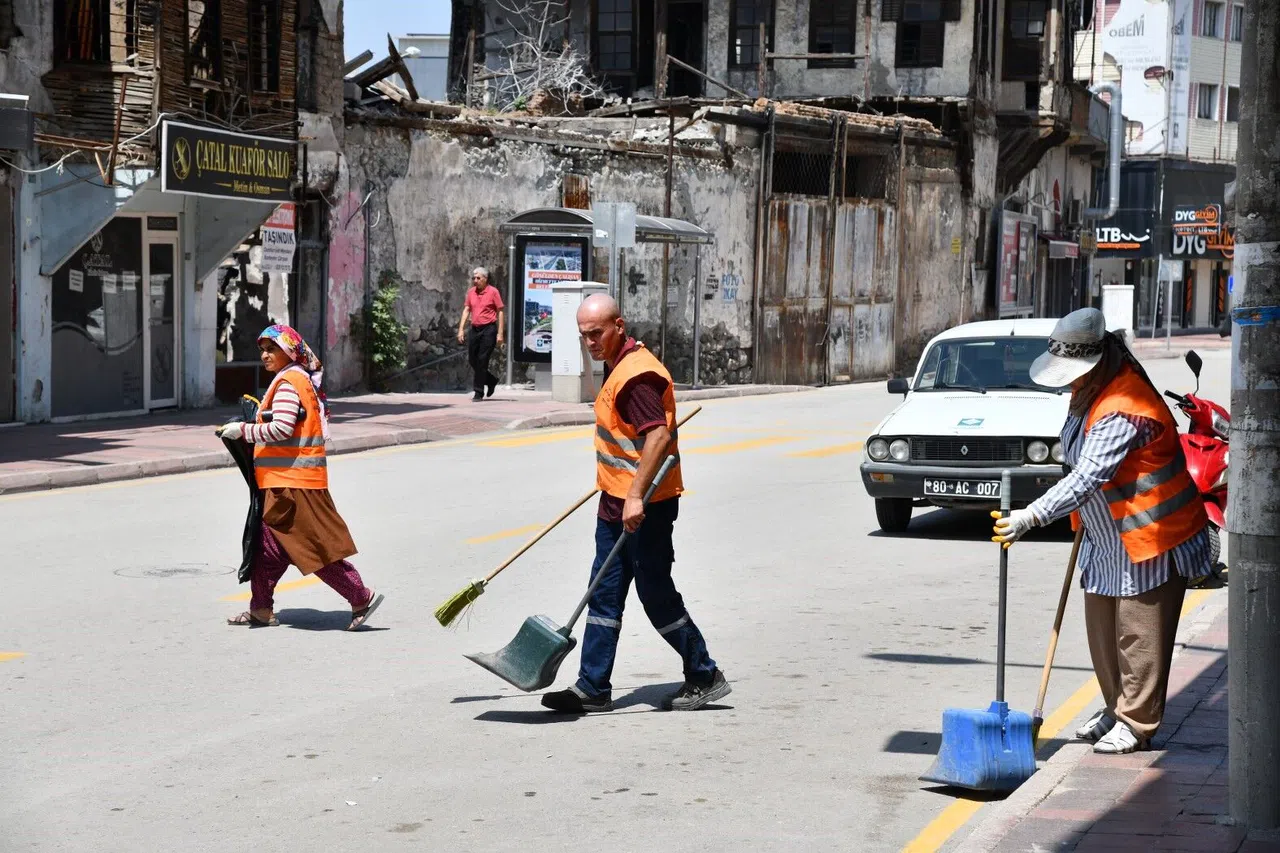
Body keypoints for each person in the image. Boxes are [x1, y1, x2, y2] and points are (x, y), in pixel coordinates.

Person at [993, 307, 1212, 755]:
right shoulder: (1088, 395)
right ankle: (1117, 707)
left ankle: (1137, 721)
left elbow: (1087, 475)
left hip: (1151, 537)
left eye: (1074, 374)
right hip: (1106, 537)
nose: (1069, 382)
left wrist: (1028, 517)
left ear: (1096, 364)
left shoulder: (1122, 406)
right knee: (1103, 633)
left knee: (1139, 634)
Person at [541, 294, 730, 714]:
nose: (590, 342)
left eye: (597, 333)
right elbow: (628, 442)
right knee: (603, 593)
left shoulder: (637, 377)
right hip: (616, 501)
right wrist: (616, 487)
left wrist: (633, 494)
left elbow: (658, 437)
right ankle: (592, 687)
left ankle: (704, 673)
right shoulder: (618, 365)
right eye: (584, 336)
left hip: (645, 506)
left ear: (619, 326)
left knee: (655, 592)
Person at [217, 324, 385, 631]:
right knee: (268, 550)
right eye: (263, 350)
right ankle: (261, 609)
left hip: (295, 485)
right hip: (285, 483)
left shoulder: (288, 384)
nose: (265, 356)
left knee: (314, 550)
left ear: (289, 352)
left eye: (272, 349)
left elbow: (280, 428)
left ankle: (361, 596)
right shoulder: (295, 379)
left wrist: (242, 431)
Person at [456, 267, 505, 401]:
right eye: (474, 278)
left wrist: (500, 334)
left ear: (485, 279)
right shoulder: (471, 292)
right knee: (473, 359)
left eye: (478, 278)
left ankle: (478, 392)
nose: (475, 281)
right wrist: (461, 329)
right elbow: (466, 310)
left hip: (489, 329)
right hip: (475, 329)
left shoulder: (493, 292)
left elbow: (500, 311)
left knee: (482, 360)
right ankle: (491, 380)